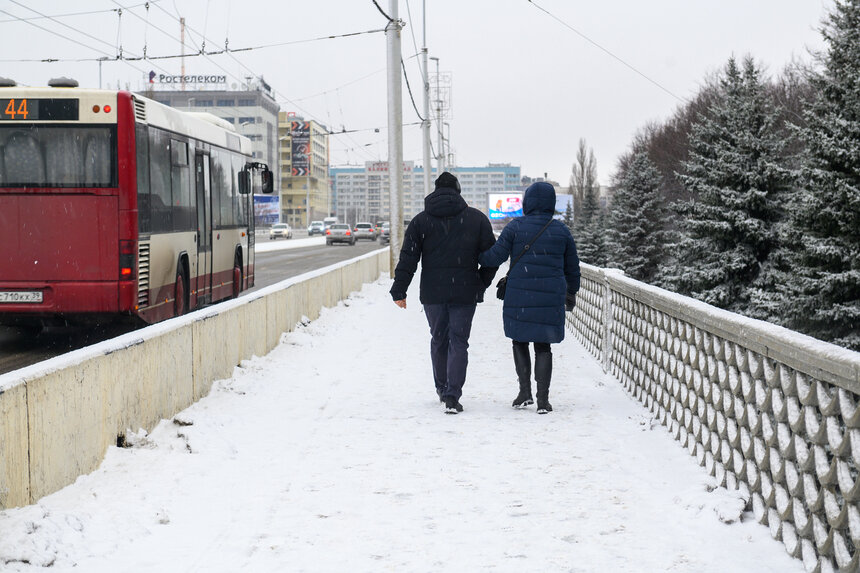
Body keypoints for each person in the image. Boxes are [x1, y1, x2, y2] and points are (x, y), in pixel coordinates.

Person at [390, 171, 498, 414]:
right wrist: (481, 282)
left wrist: (399, 290)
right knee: (459, 341)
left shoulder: (420, 221)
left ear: (435, 191)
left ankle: (441, 388)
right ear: (458, 191)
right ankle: (452, 395)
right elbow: (493, 257)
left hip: (433, 293)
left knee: (439, 339)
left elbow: (408, 259)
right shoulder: (476, 219)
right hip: (465, 292)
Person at [478, 181, 580, 414]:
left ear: (527, 203)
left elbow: (494, 257)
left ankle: (525, 393)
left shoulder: (515, 227)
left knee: (519, 339)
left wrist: (475, 255)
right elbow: (572, 267)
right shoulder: (561, 230)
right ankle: (543, 400)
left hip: (519, 294)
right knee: (543, 345)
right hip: (551, 295)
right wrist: (571, 291)